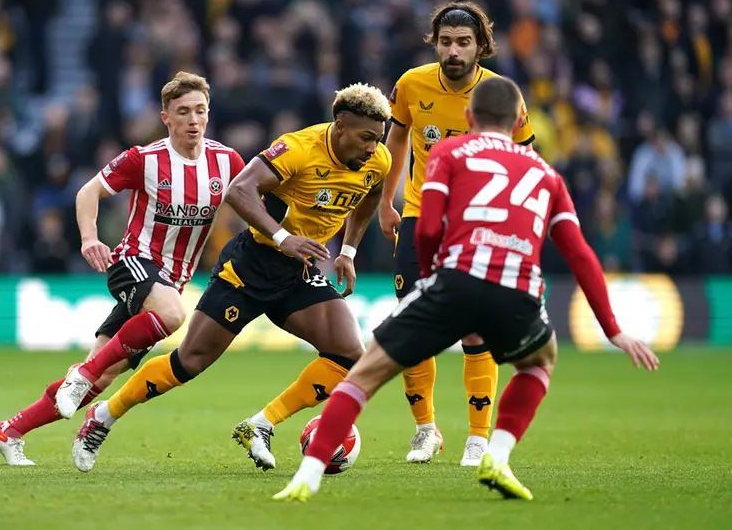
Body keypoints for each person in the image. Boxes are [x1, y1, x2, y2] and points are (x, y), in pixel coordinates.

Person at [274, 77, 658, 503]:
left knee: (364, 373)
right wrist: (612, 329)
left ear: (470, 117)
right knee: (538, 363)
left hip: (456, 279)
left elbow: (429, 228)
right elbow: (580, 253)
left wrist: (434, 278)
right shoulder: (547, 175)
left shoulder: (449, 153)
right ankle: (497, 454)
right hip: (518, 290)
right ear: (518, 124)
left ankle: (307, 476)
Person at [67, 83, 393, 473]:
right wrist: (284, 237)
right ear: (340, 126)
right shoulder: (298, 148)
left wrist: (349, 252)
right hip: (251, 265)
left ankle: (262, 424)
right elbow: (239, 191)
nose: (374, 148)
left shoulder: (378, 160)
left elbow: (370, 194)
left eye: (379, 138)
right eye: (367, 137)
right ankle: (103, 416)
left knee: (349, 354)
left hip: (298, 270)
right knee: (189, 362)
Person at [0, 72, 245, 465]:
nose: (193, 119)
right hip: (132, 263)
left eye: (200, 111)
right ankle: (83, 374)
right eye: (183, 112)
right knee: (174, 314)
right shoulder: (144, 159)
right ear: (166, 118)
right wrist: (90, 238)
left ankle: (10, 430)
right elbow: (88, 191)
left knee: (99, 379)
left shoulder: (227, 162)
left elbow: (256, 202)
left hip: (169, 280)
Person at [379, 0, 536, 465]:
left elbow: (526, 158)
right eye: (445, 41)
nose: (452, 51)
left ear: (481, 47)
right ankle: (426, 430)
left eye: (463, 42)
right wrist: (387, 201)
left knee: (474, 328)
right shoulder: (411, 84)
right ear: (435, 43)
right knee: (413, 325)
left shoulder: (502, 95)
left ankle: (477, 436)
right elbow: (398, 138)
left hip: (477, 225)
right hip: (419, 217)